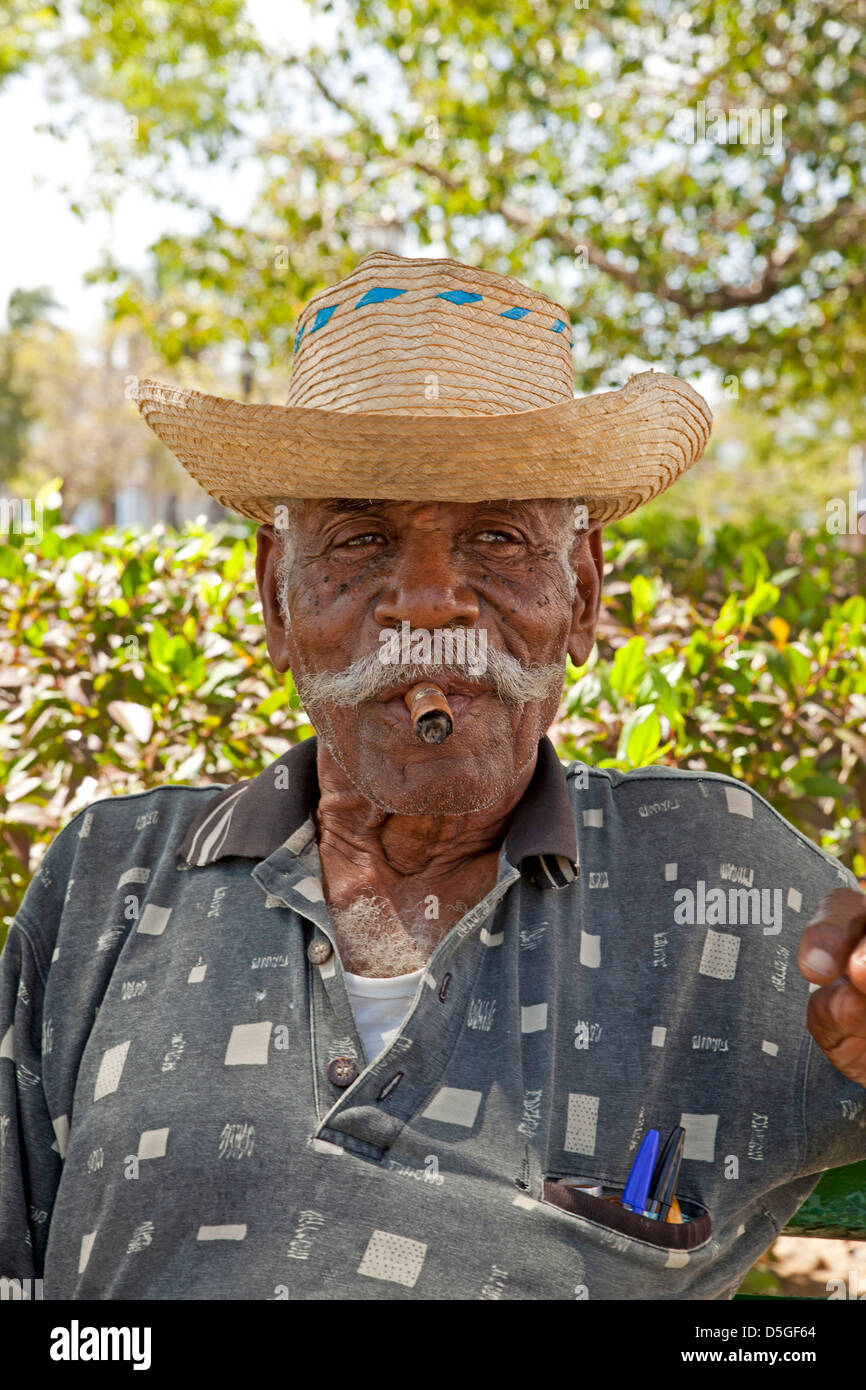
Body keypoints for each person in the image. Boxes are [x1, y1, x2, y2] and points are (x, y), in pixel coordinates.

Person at [1, 252, 864, 1301]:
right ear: (276, 600)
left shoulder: (716, 879)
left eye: (496, 535)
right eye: (359, 538)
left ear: (581, 594)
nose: (426, 602)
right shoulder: (112, 877)